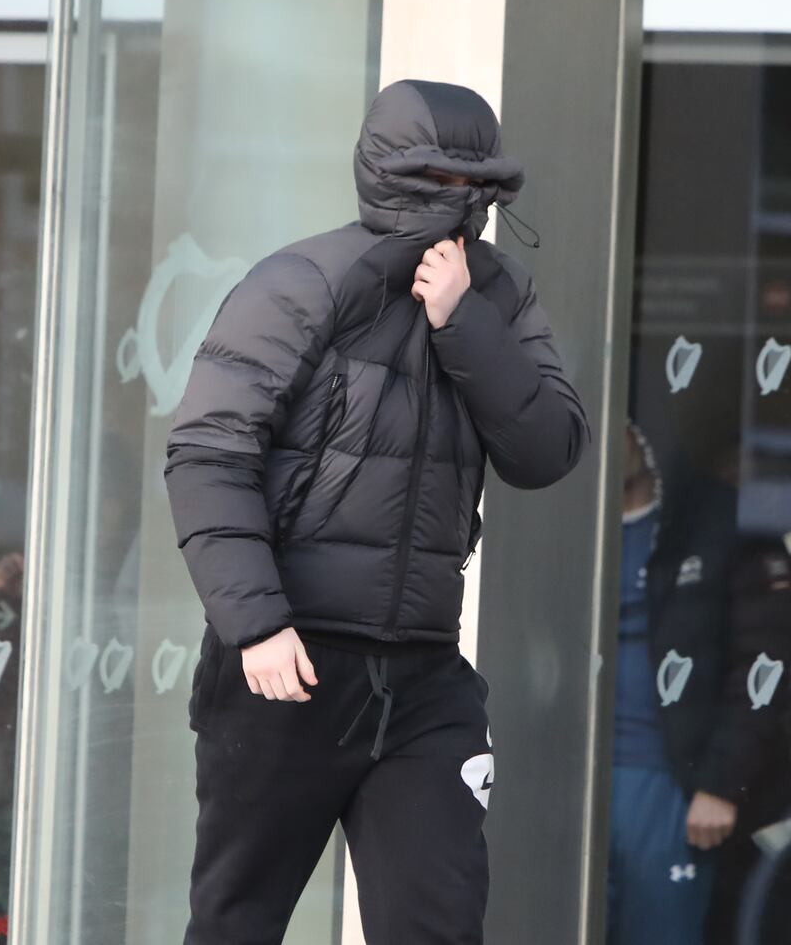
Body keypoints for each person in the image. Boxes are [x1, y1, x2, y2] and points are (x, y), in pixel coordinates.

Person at [164, 79, 590, 945]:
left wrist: (461, 322)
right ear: (392, 171)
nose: (464, 202)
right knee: (237, 924)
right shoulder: (302, 281)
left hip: (426, 677)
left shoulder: (499, 298)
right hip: (287, 666)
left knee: (437, 924)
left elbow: (549, 450)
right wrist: (255, 625)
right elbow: (209, 454)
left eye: (480, 186)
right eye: (443, 178)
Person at [606, 422, 791, 945]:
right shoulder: (561, 525)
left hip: (668, 782)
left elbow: (767, 654)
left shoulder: (712, 517)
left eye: (622, 424)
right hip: (569, 775)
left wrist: (721, 784)